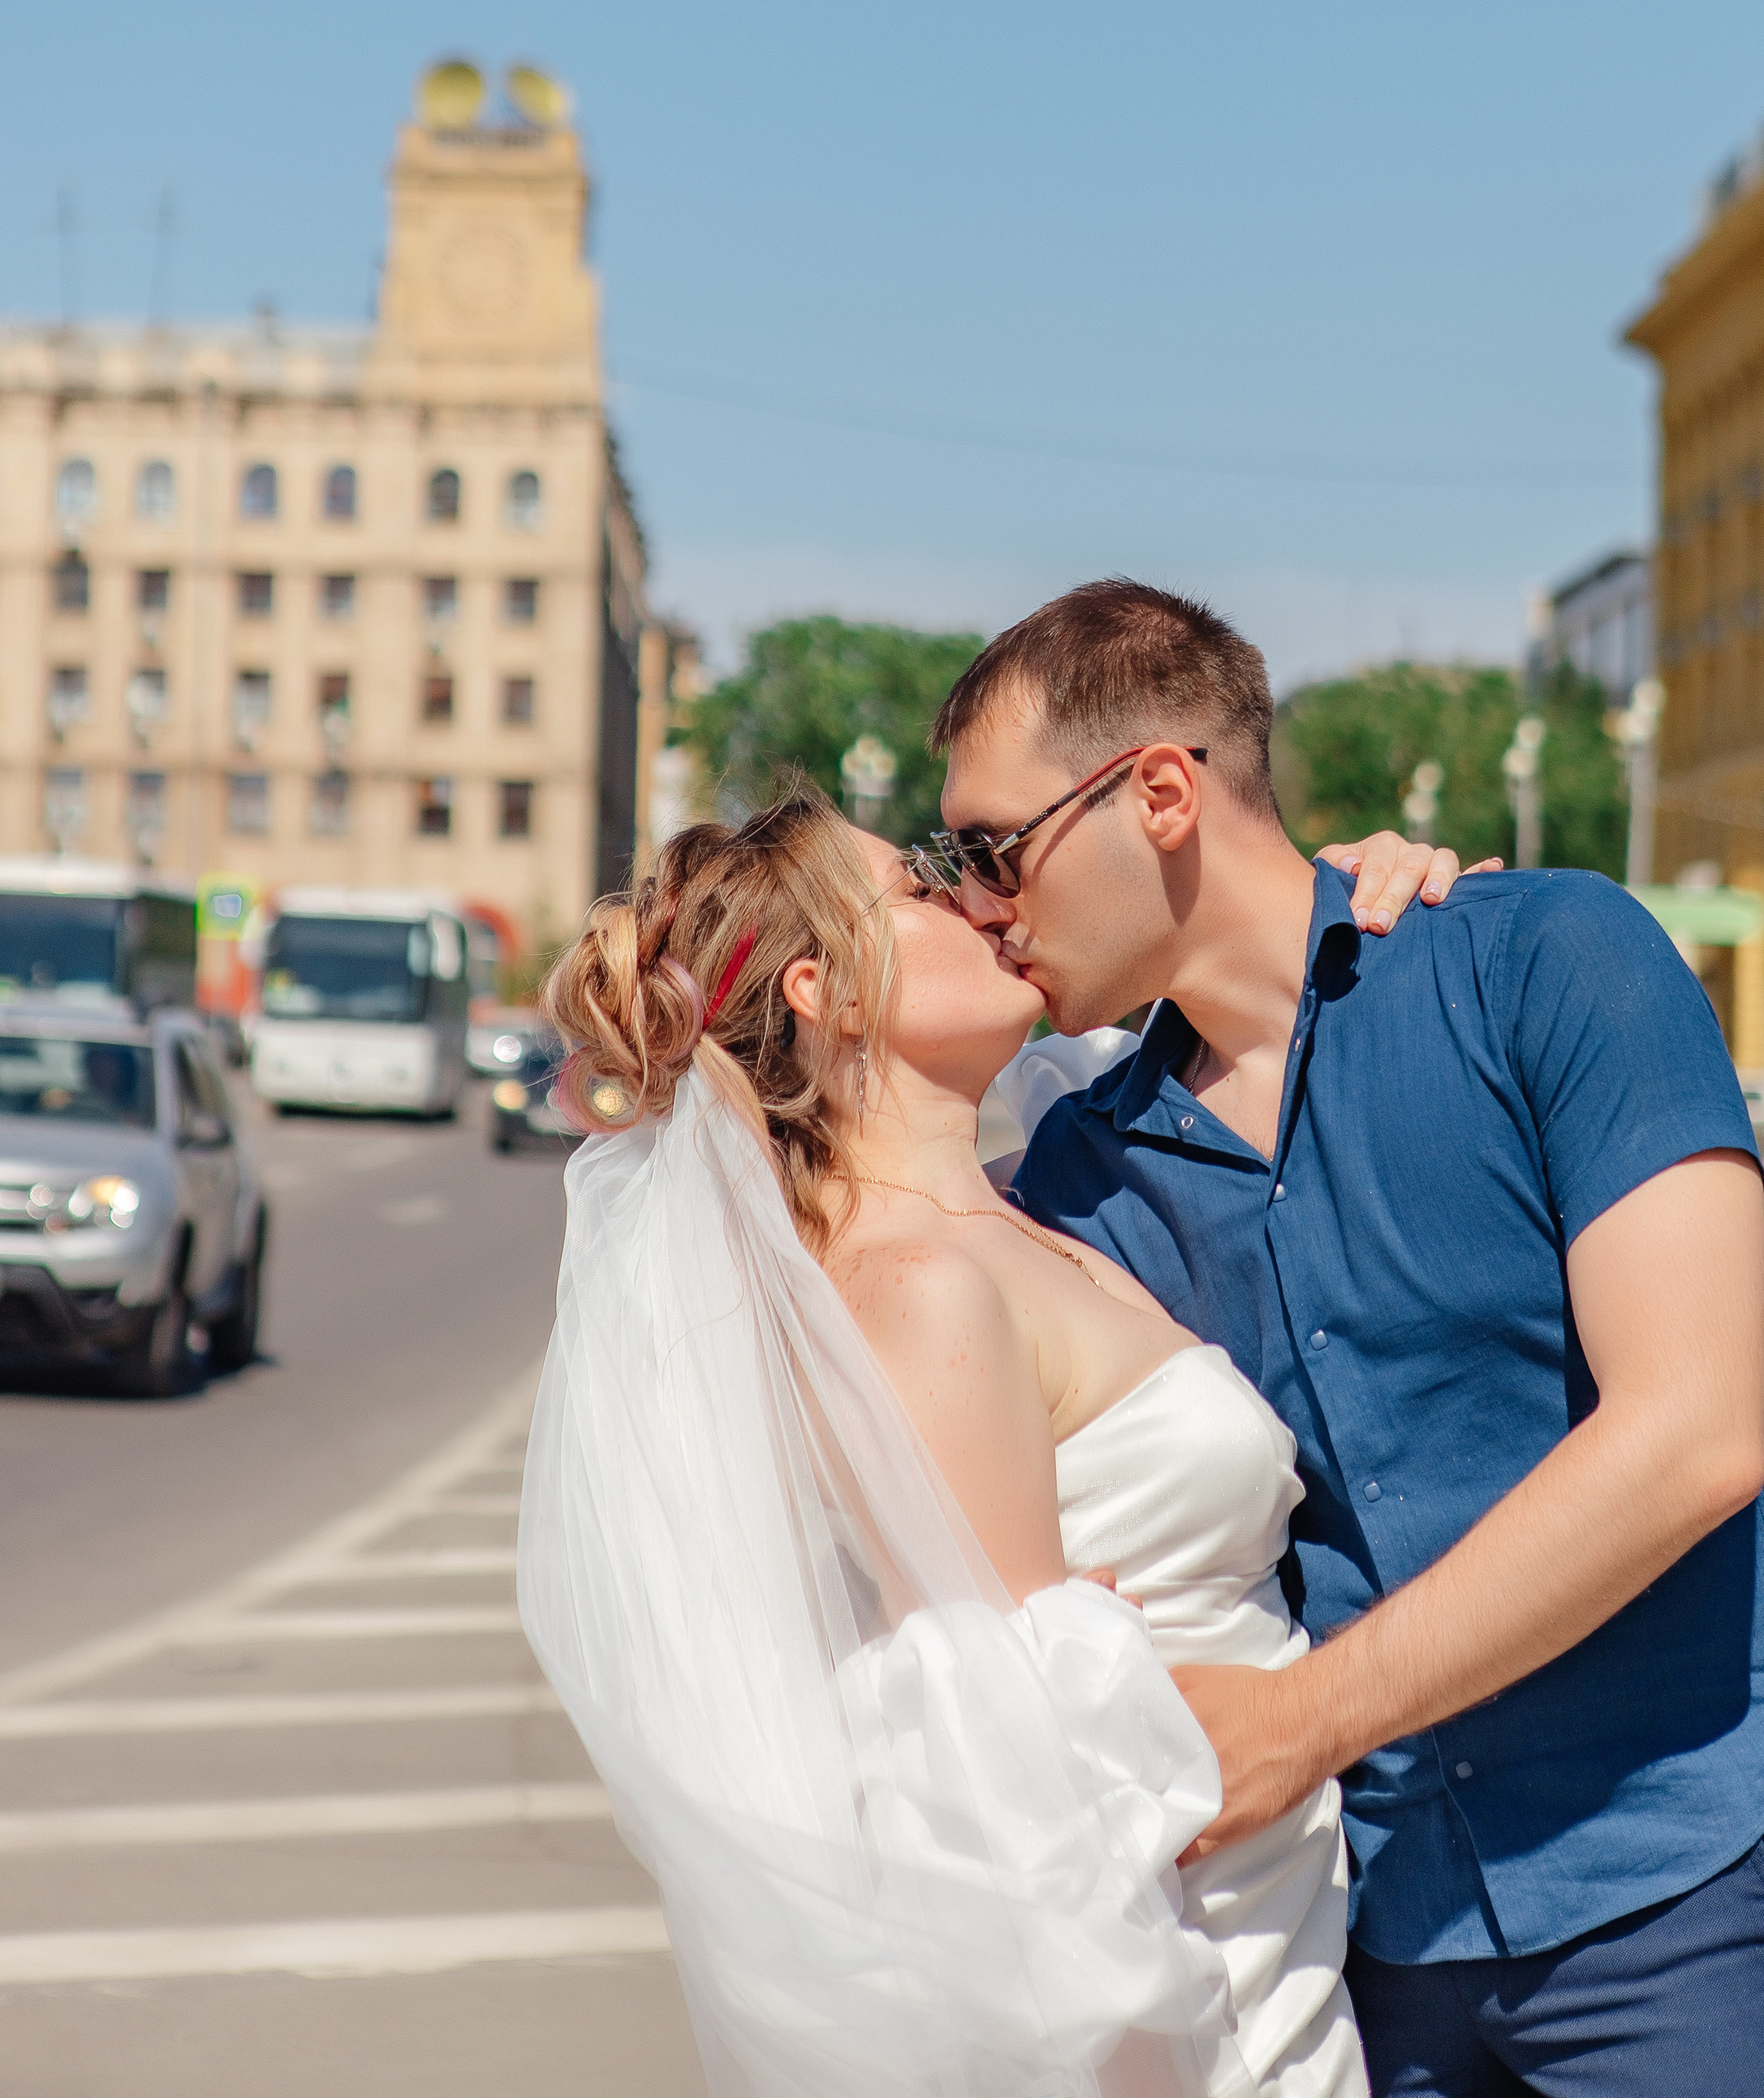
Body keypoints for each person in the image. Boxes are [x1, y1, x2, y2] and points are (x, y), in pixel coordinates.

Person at [929, 577, 1764, 2098]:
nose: (983, 906)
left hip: (1688, 1900)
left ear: (1159, 793)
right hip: (1358, 1966)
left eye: (996, 852)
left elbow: (1694, 1437)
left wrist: (1300, 1724)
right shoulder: (1076, 1186)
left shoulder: (1547, 959)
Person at [518, 784, 1464, 2098]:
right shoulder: (920, 1291)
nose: (977, 899)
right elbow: (1019, 1817)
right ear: (826, 995)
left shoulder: (1014, 1212)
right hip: (1205, 2006)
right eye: (916, 891)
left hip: (1275, 1934)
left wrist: (1330, 907)